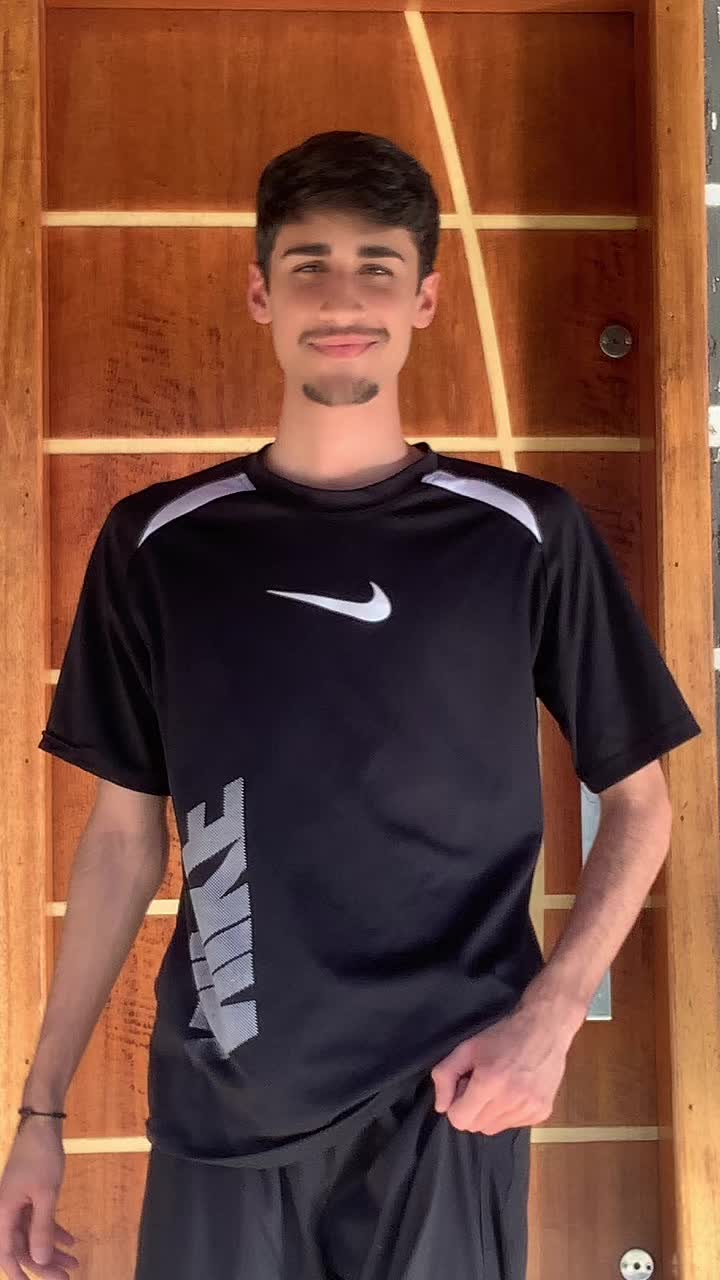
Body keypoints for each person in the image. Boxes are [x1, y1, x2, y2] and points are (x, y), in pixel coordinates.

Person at [0, 130, 701, 1280]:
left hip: (451, 1101)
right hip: (224, 1105)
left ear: (425, 298)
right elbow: (123, 841)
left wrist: (551, 1018)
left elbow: (642, 802)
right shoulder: (159, 544)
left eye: (377, 266)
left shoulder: (525, 533)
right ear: (260, 291)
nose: (341, 298)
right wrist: (40, 1112)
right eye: (309, 264)